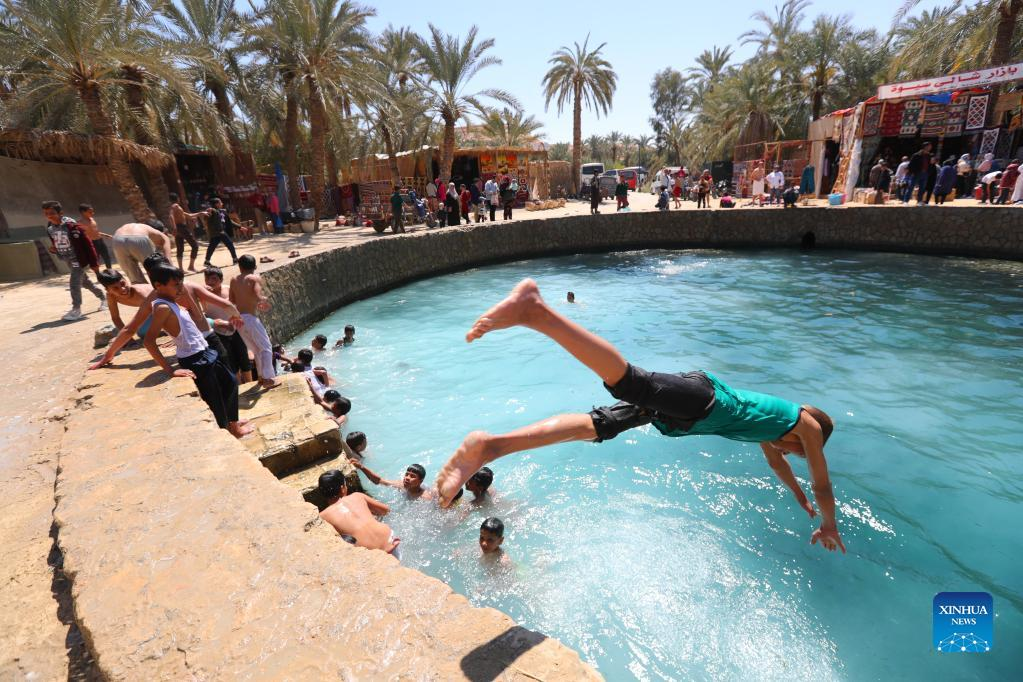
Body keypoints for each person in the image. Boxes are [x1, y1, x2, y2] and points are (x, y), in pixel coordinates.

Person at [435, 279, 846, 555]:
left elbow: (778, 466)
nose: (791, 454)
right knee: (629, 382)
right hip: (704, 401)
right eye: (799, 452)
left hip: (684, 416)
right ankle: (536, 311)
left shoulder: (770, 433)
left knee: (596, 427)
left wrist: (798, 497)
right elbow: (823, 482)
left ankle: (491, 446)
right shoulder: (805, 425)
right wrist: (829, 523)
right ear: (808, 439)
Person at [143, 263, 252, 437]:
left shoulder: (173, 301)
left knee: (230, 382)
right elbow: (149, 341)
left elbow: (198, 318)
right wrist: (170, 370)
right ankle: (230, 431)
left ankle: (233, 423)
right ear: (158, 285)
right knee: (215, 397)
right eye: (176, 284)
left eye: (181, 283)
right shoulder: (162, 307)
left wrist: (185, 293)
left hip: (205, 350)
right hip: (194, 358)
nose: (181, 287)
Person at [42, 201, 105, 321]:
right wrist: (54, 248)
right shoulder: (50, 229)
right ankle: (103, 297)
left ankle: (76, 309)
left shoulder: (72, 227)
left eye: (52, 213)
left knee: (74, 283)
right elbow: (56, 242)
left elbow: (88, 245)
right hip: (68, 260)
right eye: (46, 213)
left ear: (60, 213)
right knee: (85, 282)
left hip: (79, 260)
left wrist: (94, 263)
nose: (49, 216)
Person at [317, 470, 400, 556]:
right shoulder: (357, 495)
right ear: (342, 488)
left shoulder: (323, 516)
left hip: (371, 553)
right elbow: (385, 510)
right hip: (391, 539)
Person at [229, 255, 280, 389]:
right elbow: (257, 294)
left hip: (238, 319)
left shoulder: (233, 279)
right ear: (255, 266)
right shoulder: (254, 278)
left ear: (239, 267)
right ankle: (269, 379)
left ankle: (261, 377)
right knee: (266, 348)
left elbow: (231, 300)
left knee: (256, 350)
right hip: (250, 319)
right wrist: (263, 300)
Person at [204, 266, 254, 384]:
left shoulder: (229, 290)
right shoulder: (203, 294)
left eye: (214, 279)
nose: (210, 282)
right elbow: (197, 312)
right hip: (219, 332)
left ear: (221, 279)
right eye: (207, 279)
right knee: (231, 363)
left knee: (244, 361)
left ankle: (250, 384)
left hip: (236, 329)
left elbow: (242, 307)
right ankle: (239, 387)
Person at [97, 269, 153, 338]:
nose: (122, 289)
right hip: (153, 310)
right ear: (108, 290)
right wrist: (128, 339)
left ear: (126, 280)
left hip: (163, 304)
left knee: (144, 330)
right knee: (142, 332)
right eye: (115, 288)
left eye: (123, 284)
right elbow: (115, 318)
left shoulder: (140, 293)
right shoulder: (111, 296)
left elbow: (161, 308)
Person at [349, 460, 434, 500]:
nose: (407, 478)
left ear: (420, 481)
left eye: (412, 476)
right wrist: (362, 467)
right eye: (406, 474)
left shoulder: (425, 497)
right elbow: (378, 480)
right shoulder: (400, 485)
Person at [167, 192, 204, 272]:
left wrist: (200, 213)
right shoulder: (175, 206)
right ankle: (191, 266)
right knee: (195, 246)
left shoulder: (178, 208)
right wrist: (174, 227)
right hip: (181, 228)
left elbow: (189, 216)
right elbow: (171, 216)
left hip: (179, 229)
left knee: (180, 248)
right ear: (177, 198)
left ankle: (181, 269)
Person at [203, 198, 239, 267]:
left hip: (217, 233)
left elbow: (229, 222)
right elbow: (208, 214)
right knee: (230, 244)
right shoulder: (213, 211)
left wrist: (239, 227)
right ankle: (235, 259)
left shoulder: (222, 211)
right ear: (217, 204)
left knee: (212, 247)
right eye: (220, 202)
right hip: (219, 232)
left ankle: (207, 262)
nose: (222, 204)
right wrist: (209, 211)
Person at [78, 203, 112, 269]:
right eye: (90, 212)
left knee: (107, 257)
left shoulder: (92, 219)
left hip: (100, 241)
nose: (92, 213)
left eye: (92, 211)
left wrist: (106, 235)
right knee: (96, 260)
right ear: (83, 212)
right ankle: (98, 273)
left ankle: (110, 271)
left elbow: (96, 231)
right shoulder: (80, 223)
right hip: (92, 243)